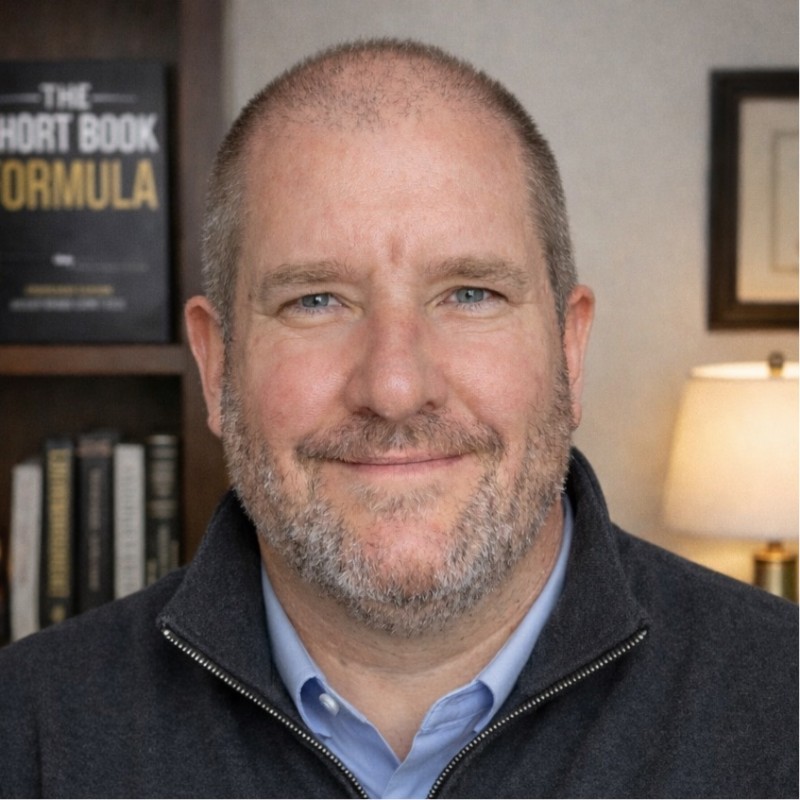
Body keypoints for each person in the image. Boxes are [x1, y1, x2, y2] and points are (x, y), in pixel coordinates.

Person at [0, 39, 796, 799]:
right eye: (316, 300)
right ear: (217, 365)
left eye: (470, 294)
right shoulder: (27, 734)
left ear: (569, 348)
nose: (393, 387)